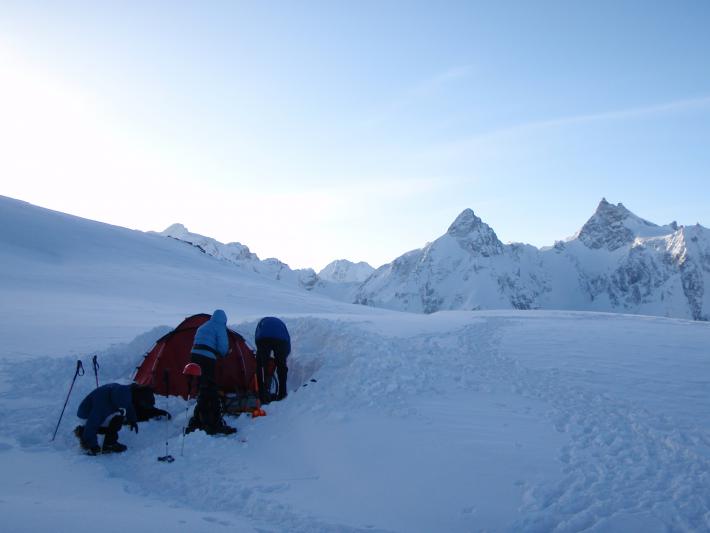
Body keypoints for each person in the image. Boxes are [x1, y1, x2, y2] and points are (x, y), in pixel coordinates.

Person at [186, 309, 236, 435]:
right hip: (206, 359)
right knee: (211, 388)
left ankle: (199, 418)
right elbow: (223, 347)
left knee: (203, 387)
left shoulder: (203, 326)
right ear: (224, 320)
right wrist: (225, 353)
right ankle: (213, 422)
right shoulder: (219, 327)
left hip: (194, 357)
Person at [73, 383, 141, 455]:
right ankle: (108, 443)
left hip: (96, 412)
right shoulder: (102, 405)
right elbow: (92, 423)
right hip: (85, 415)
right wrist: (92, 445)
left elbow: (128, 404)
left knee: (119, 415)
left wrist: (132, 419)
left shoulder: (123, 391)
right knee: (118, 418)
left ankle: (86, 431)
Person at [255, 316, 291, 404]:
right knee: (281, 366)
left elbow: (257, 339)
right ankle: (282, 393)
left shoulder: (262, 323)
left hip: (263, 338)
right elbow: (287, 347)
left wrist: (262, 357)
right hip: (282, 340)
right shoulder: (281, 325)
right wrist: (281, 359)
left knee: (260, 366)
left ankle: (262, 393)